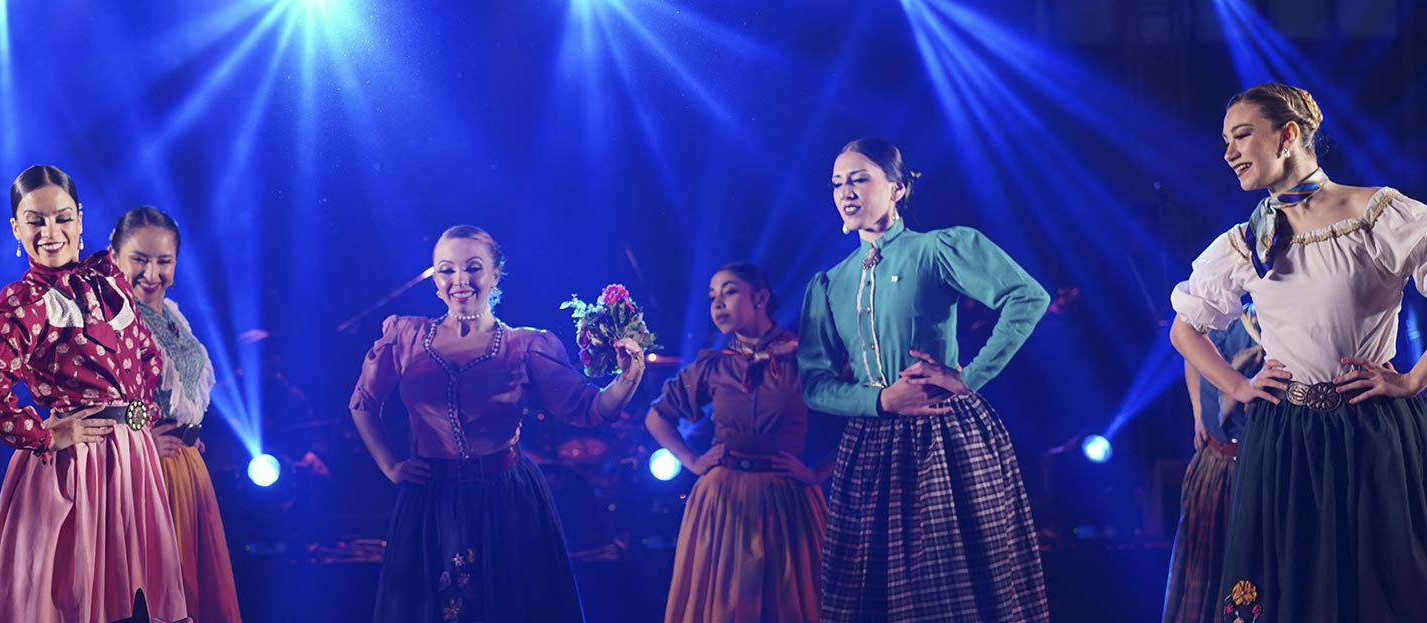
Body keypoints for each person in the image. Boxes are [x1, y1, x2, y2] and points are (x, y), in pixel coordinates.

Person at [1170, 82, 1427, 621]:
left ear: (1288, 135)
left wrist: (1412, 380)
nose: (1229, 152)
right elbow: (1185, 330)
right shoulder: (1246, 241)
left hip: (1370, 429)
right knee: (1287, 585)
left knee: (1379, 586)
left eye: (1242, 136)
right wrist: (1239, 387)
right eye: (1224, 141)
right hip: (1283, 436)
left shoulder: (1375, 214)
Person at [798, 138, 1051, 622]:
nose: (845, 192)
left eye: (859, 179)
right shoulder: (830, 283)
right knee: (868, 595)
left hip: (943, 436)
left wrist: (968, 377)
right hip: (870, 446)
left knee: (958, 590)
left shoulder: (937, 248)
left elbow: (1027, 297)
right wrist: (880, 401)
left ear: (896, 189)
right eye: (836, 183)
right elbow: (814, 384)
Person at [350, 225, 645, 622]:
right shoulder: (405, 336)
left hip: (506, 499)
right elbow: (363, 403)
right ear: (435, 278)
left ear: (495, 273)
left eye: (472, 267)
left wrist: (627, 378)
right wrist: (391, 465)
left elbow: (590, 408)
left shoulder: (526, 345)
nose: (459, 280)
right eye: (446, 270)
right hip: (430, 500)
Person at [0, 165, 187, 622]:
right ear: (16, 228)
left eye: (62, 217)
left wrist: (139, 423)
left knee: (143, 604)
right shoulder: (25, 300)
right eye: (35, 220)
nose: (50, 231)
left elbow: (149, 359)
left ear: (80, 219)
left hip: (133, 463)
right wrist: (47, 434)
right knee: (80, 603)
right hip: (78, 467)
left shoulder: (111, 281)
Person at [646, 261, 825, 622]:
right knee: (728, 604)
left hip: (785, 499)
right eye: (712, 296)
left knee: (788, 603)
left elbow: (862, 414)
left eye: (728, 291)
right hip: (724, 500)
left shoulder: (805, 357)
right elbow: (656, 417)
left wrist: (817, 473)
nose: (717, 304)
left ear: (760, 297)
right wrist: (693, 462)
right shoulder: (715, 365)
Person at [110, 206, 242, 622]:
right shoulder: (111, 317)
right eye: (140, 259)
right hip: (140, 471)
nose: (152, 273)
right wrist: (141, 437)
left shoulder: (173, 316)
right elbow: (95, 397)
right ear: (114, 256)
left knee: (190, 594)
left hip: (184, 467)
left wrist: (188, 430)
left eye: (163, 261)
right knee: (151, 597)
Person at [1160, 310, 1258, 623]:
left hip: (1259, 473)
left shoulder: (1285, 319)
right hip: (1214, 466)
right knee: (1202, 579)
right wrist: (1198, 412)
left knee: (1251, 579)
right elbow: (1191, 348)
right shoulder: (1221, 304)